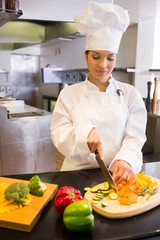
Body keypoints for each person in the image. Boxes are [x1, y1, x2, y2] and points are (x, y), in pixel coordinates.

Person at [50, 2, 147, 184]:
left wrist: (125, 159)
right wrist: (84, 134)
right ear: (86, 55)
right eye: (96, 57)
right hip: (75, 177)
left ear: (116, 58)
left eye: (110, 58)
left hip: (116, 177)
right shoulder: (69, 95)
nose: (103, 65)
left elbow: (135, 137)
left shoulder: (130, 94)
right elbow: (58, 133)